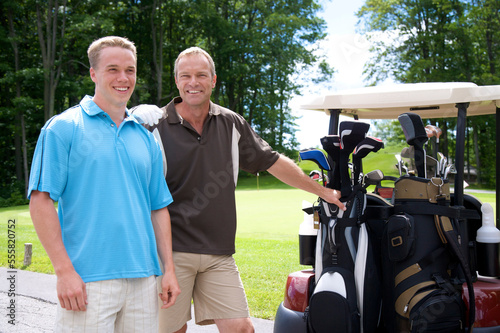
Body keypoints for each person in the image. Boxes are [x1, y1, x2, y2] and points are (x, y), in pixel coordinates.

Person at [132, 46, 345, 333]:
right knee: (171, 331)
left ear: (214, 80)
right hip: (169, 253)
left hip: (218, 253)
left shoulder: (231, 123)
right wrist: (125, 119)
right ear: (177, 81)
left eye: (201, 75)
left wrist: (322, 191)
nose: (193, 82)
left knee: (241, 328)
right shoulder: (153, 125)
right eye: (186, 76)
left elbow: (273, 162)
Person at [28, 36, 180, 332]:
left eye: (130, 70)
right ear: (93, 74)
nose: (123, 78)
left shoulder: (145, 138)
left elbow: (158, 208)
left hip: (144, 280)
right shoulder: (63, 128)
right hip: (87, 280)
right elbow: (41, 200)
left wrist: (168, 271)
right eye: (113, 69)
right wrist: (64, 272)